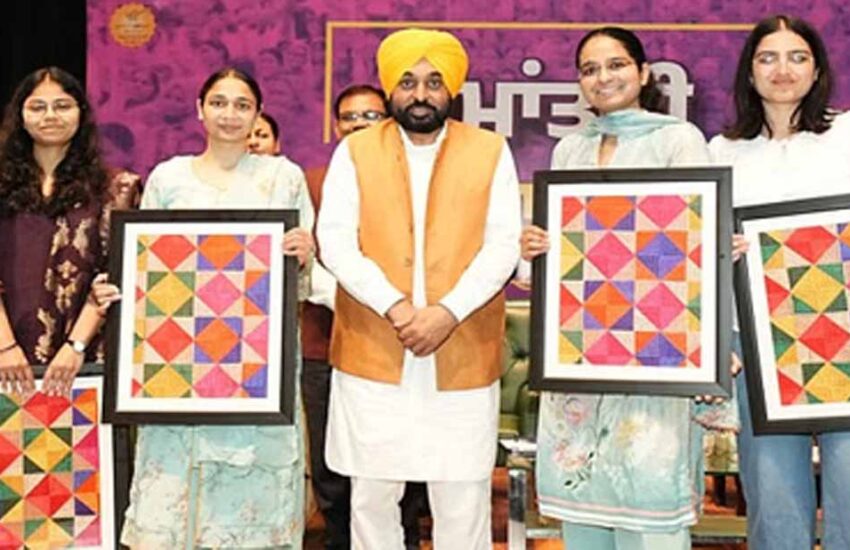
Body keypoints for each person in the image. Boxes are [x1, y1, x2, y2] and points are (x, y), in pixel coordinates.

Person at [520, 27, 729, 549]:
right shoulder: (570, 150)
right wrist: (537, 247)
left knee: (650, 507)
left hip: (654, 354)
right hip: (580, 354)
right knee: (583, 512)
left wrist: (708, 342)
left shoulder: (678, 140)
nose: (603, 78)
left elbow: (697, 242)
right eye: (589, 69)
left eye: (615, 65)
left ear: (643, 72)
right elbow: (563, 249)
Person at [317, 28, 521, 549]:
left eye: (434, 81)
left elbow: (503, 246)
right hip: (374, 345)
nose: (421, 94)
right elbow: (334, 241)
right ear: (391, 88)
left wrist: (447, 312)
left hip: (462, 345)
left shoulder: (490, 150)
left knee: (463, 496)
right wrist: (396, 307)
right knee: (371, 495)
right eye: (407, 82)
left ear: (452, 88)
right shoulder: (355, 152)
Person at [118, 67, 315, 549]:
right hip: (178, 365)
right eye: (219, 103)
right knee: (175, 497)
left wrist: (302, 254)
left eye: (242, 105)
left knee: (251, 507)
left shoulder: (283, 178)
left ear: (258, 114)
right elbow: (148, 270)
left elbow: (299, 288)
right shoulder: (169, 178)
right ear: (199, 110)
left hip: (255, 368)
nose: (230, 114)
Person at [710, 15, 850, 549]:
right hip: (757, 342)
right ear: (749, 73)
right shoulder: (721, 151)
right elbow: (697, 246)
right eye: (768, 58)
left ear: (817, 70)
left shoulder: (846, 136)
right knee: (773, 502)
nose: (783, 70)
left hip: (842, 336)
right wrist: (721, 250)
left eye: (798, 57)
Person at [304, 84, 426, 549]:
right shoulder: (312, 181)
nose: (358, 125)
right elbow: (305, 257)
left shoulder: (412, 179)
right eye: (349, 117)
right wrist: (361, 301)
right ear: (336, 126)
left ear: (390, 119)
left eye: (371, 116)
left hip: (400, 346)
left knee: (401, 468)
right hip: (325, 342)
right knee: (334, 471)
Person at [0, 66, 131, 397]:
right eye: (37, 107)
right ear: (20, 116)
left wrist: (76, 346)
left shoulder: (117, 189)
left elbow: (115, 278)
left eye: (62, 106)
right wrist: (5, 347)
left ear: (81, 113)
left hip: (82, 365)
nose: (50, 116)